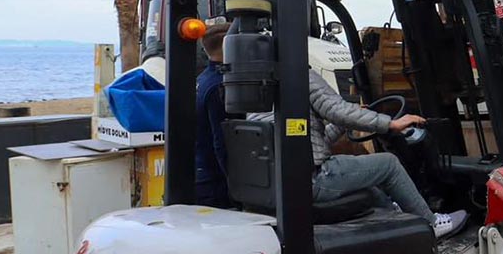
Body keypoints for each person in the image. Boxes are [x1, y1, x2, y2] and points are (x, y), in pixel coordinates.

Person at [257, 72, 469, 239]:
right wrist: (390, 123)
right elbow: (338, 110)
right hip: (313, 179)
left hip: (285, 181)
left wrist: (349, 122)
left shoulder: (265, 85)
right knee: (388, 164)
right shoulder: (298, 73)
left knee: (371, 184)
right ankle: (431, 224)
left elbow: (309, 142)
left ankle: (405, 228)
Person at [196, 23, 236, 208]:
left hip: (201, 175)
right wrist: (235, 183)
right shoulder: (220, 87)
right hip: (215, 183)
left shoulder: (202, 80)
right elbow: (223, 142)